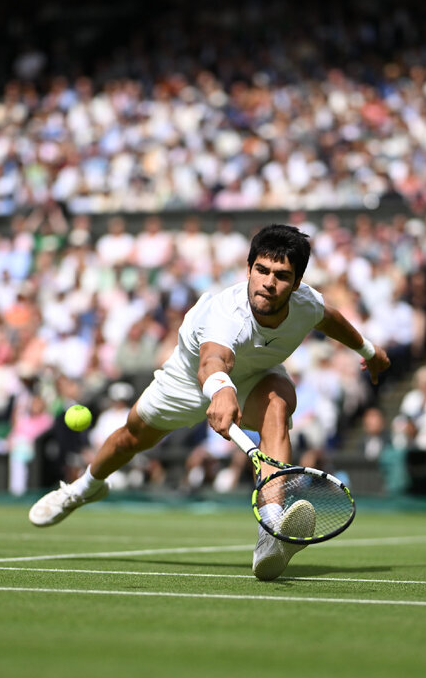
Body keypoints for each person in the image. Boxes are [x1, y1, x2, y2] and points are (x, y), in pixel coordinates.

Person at [28, 225, 391, 580]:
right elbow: (212, 361)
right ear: (248, 269)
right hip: (187, 379)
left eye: (281, 276)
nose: (268, 282)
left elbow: (330, 319)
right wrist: (221, 390)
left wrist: (368, 351)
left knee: (279, 404)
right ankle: (83, 489)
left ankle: (272, 527)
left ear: (296, 284)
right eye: (261, 270)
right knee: (130, 438)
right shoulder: (226, 314)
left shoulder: (306, 303)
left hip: (255, 376)